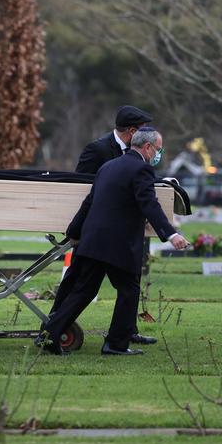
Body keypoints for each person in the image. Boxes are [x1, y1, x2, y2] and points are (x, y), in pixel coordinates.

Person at [38, 128, 189, 356]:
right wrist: (171, 234)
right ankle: (116, 344)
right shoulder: (142, 169)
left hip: (93, 239)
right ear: (147, 147)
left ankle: (49, 336)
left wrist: (74, 231)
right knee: (129, 290)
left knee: (83, 290)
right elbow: (149, 204)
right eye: (158, 149)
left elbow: (89, 202)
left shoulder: (108, 166)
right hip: (118, 244)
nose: (158, 154)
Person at [48, 105, 156, 346]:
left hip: (124, 231)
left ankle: (126, 331)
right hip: (96, 231)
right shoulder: (97, 150)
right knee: (79, 282)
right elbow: (81, 189)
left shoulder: (138, 154)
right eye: (143, 130)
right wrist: (78, 230)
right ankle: (55, 324)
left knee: (128, 285)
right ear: (131, 131)